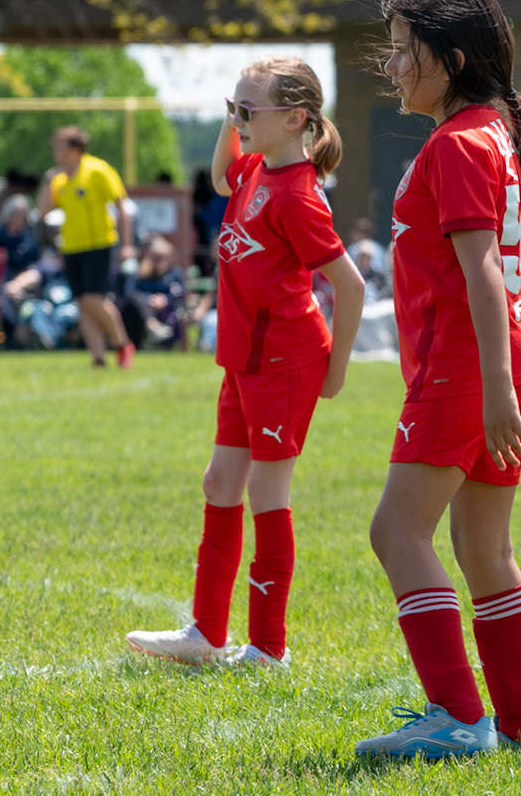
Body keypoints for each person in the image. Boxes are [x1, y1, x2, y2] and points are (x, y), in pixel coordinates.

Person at [356, 0, 521, 759]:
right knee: (482, 548)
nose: (393, 65)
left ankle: (458, 717)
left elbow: (479, 271)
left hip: (477, 363)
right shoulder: (489, 132)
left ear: (454, 58)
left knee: (397, 533)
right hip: (506, 355)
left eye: (406, 50)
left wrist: (495, 388)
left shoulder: (461, 141)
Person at [126, 57, 364, 669]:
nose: (239, 119)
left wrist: (335, 372)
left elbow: (352, 285)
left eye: (249, 111)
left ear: (295, 120)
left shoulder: (300, 196)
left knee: (266, 490)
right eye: (235, 108)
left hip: (285, 360)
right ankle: (206, 636)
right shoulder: (257, 166)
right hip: (245, 360)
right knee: (220, 483)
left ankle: (267, 647)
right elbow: (220, 176)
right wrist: (234, 117)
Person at [39, 126, 137, 369]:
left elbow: (123, 206)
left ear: (74, 148)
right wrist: (47, 181)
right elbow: (43, 210)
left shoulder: (97, 170)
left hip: (100, 243)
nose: (55, 149)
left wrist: (127, 245)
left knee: (94, 299)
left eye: (59, 144)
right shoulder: (59, 178)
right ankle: (98, 358)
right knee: (82, 302)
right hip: (71, 247)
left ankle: (122, 344)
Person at [131, 237, 188, 348]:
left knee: (182, 313)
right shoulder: (141, 273)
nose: (158, 260)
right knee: (137, 304)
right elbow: (131, 292)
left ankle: (182, 347)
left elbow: (181, 292)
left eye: (162, 257)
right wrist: (149, 299)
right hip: (145, 308)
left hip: (170, 309)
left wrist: (165, 299)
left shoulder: (175, 273)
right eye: (155, 257)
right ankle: (153, 326)